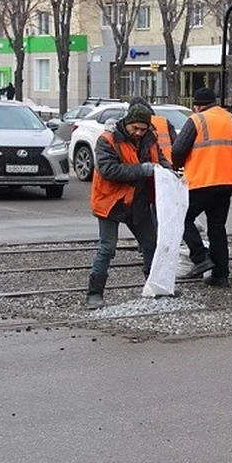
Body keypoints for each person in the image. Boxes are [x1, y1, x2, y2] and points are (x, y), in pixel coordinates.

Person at [86, 102, 172, 310]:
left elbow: (160, 160)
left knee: (151, 245)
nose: (139, 133)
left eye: (143, 129)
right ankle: (94, 294)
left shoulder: (150, 139)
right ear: (127, 123)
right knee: (107, 248)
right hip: (112, 201)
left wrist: (170, 172)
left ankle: (154, 287)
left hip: (138, 201)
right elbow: (108, 170)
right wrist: (143, 170)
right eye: (136, 128)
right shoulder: (106, 140)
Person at [173, 87, 232, 288]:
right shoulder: (230, 119)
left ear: (197, 105)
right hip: (227, 183)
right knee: (217, 228)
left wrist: (177, 164)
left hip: (202, 181)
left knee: (182, 217)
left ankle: (200, 256)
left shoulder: (196, 120)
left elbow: (178, 150)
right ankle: (221, 275)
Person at [129, 96, 176, 163]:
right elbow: (176, 142)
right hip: (168, 162)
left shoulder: (134, 125)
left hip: (150, 163)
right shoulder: (164, 121)